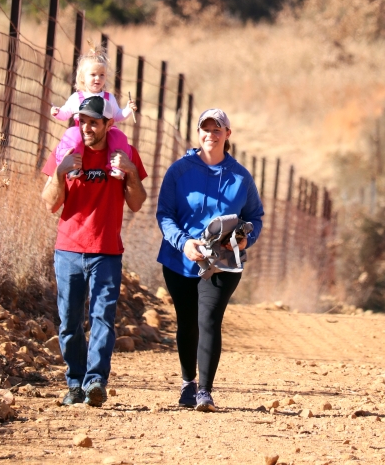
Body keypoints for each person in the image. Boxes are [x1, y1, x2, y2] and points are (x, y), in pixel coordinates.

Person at [41, 94, 147, 407]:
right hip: (68, 250)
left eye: (94, 122)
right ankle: (74, 383)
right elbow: (49, 203)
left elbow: (138, 202)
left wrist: (130, 172)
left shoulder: (122, 153)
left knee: (103, 317)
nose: (87, 127)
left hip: (107, 251)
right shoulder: (67, 151)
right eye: (82, 121)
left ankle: (95, 382)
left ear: (107, 124)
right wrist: (60, 172)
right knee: (70, 322)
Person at [156, 108, 263, 413]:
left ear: (227, 135)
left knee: (209, 320)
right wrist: (183, 242)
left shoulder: (241, 177)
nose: (210, 135)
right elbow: (164, 214)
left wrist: (246, 239)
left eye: (218, 130)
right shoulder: (179, 171)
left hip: (223, 262)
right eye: (206, 129)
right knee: (187, 322)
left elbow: (255, 216)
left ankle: (205, 391)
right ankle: (188, 382)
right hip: (181, 260)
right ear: (198, 132)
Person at [51, 44, 137, 124]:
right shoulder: (76, 98)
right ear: (82, 77)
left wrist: (128, 109)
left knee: (118, 138)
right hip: (82, 134)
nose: (98, 78)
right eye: (93, 75)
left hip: (104, 135)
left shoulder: (109, 98)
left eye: (102, 75)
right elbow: (65, 113)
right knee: (72, 138)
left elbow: (117, 116)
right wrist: (57, 112)